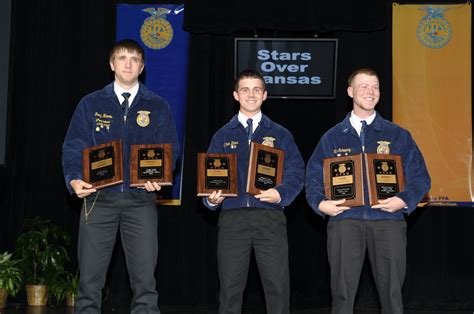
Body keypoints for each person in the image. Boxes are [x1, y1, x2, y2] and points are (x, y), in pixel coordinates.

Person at [62, 39, 179, 314]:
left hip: (141, 201)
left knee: (145, 284)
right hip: (98, 200)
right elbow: (73, 146)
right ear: (112, 64)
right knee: (89, 283)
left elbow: (171, 150)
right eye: (122, 58)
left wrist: (161, 177)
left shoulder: (158, 106)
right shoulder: (90, 103)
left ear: (142, 67)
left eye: (134, 59)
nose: (128, 64)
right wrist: (74, 178)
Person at [305, 68, 430, 314]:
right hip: (344, 222)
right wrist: (321, 204)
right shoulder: (332, 137)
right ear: (350, 92)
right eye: (364, 86)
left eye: (375, 87)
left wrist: (403, 200)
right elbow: (312, 178)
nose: (370, 92)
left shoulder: (398, 135)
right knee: (342, 295)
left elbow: (420, 178)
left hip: (388, 222)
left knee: (392, 295)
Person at [203, 69, 305, 314]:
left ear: (265, 95)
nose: (251, 94)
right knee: (230, 289)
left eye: (257, 89)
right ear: (236, 95)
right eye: (245, 89)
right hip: (232, 219)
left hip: (270, 218)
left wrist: (281, 194)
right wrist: (211, 199)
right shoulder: (222, 135)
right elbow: (210, 178)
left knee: (277, 288)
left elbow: (297, 172)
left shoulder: (280, 134)